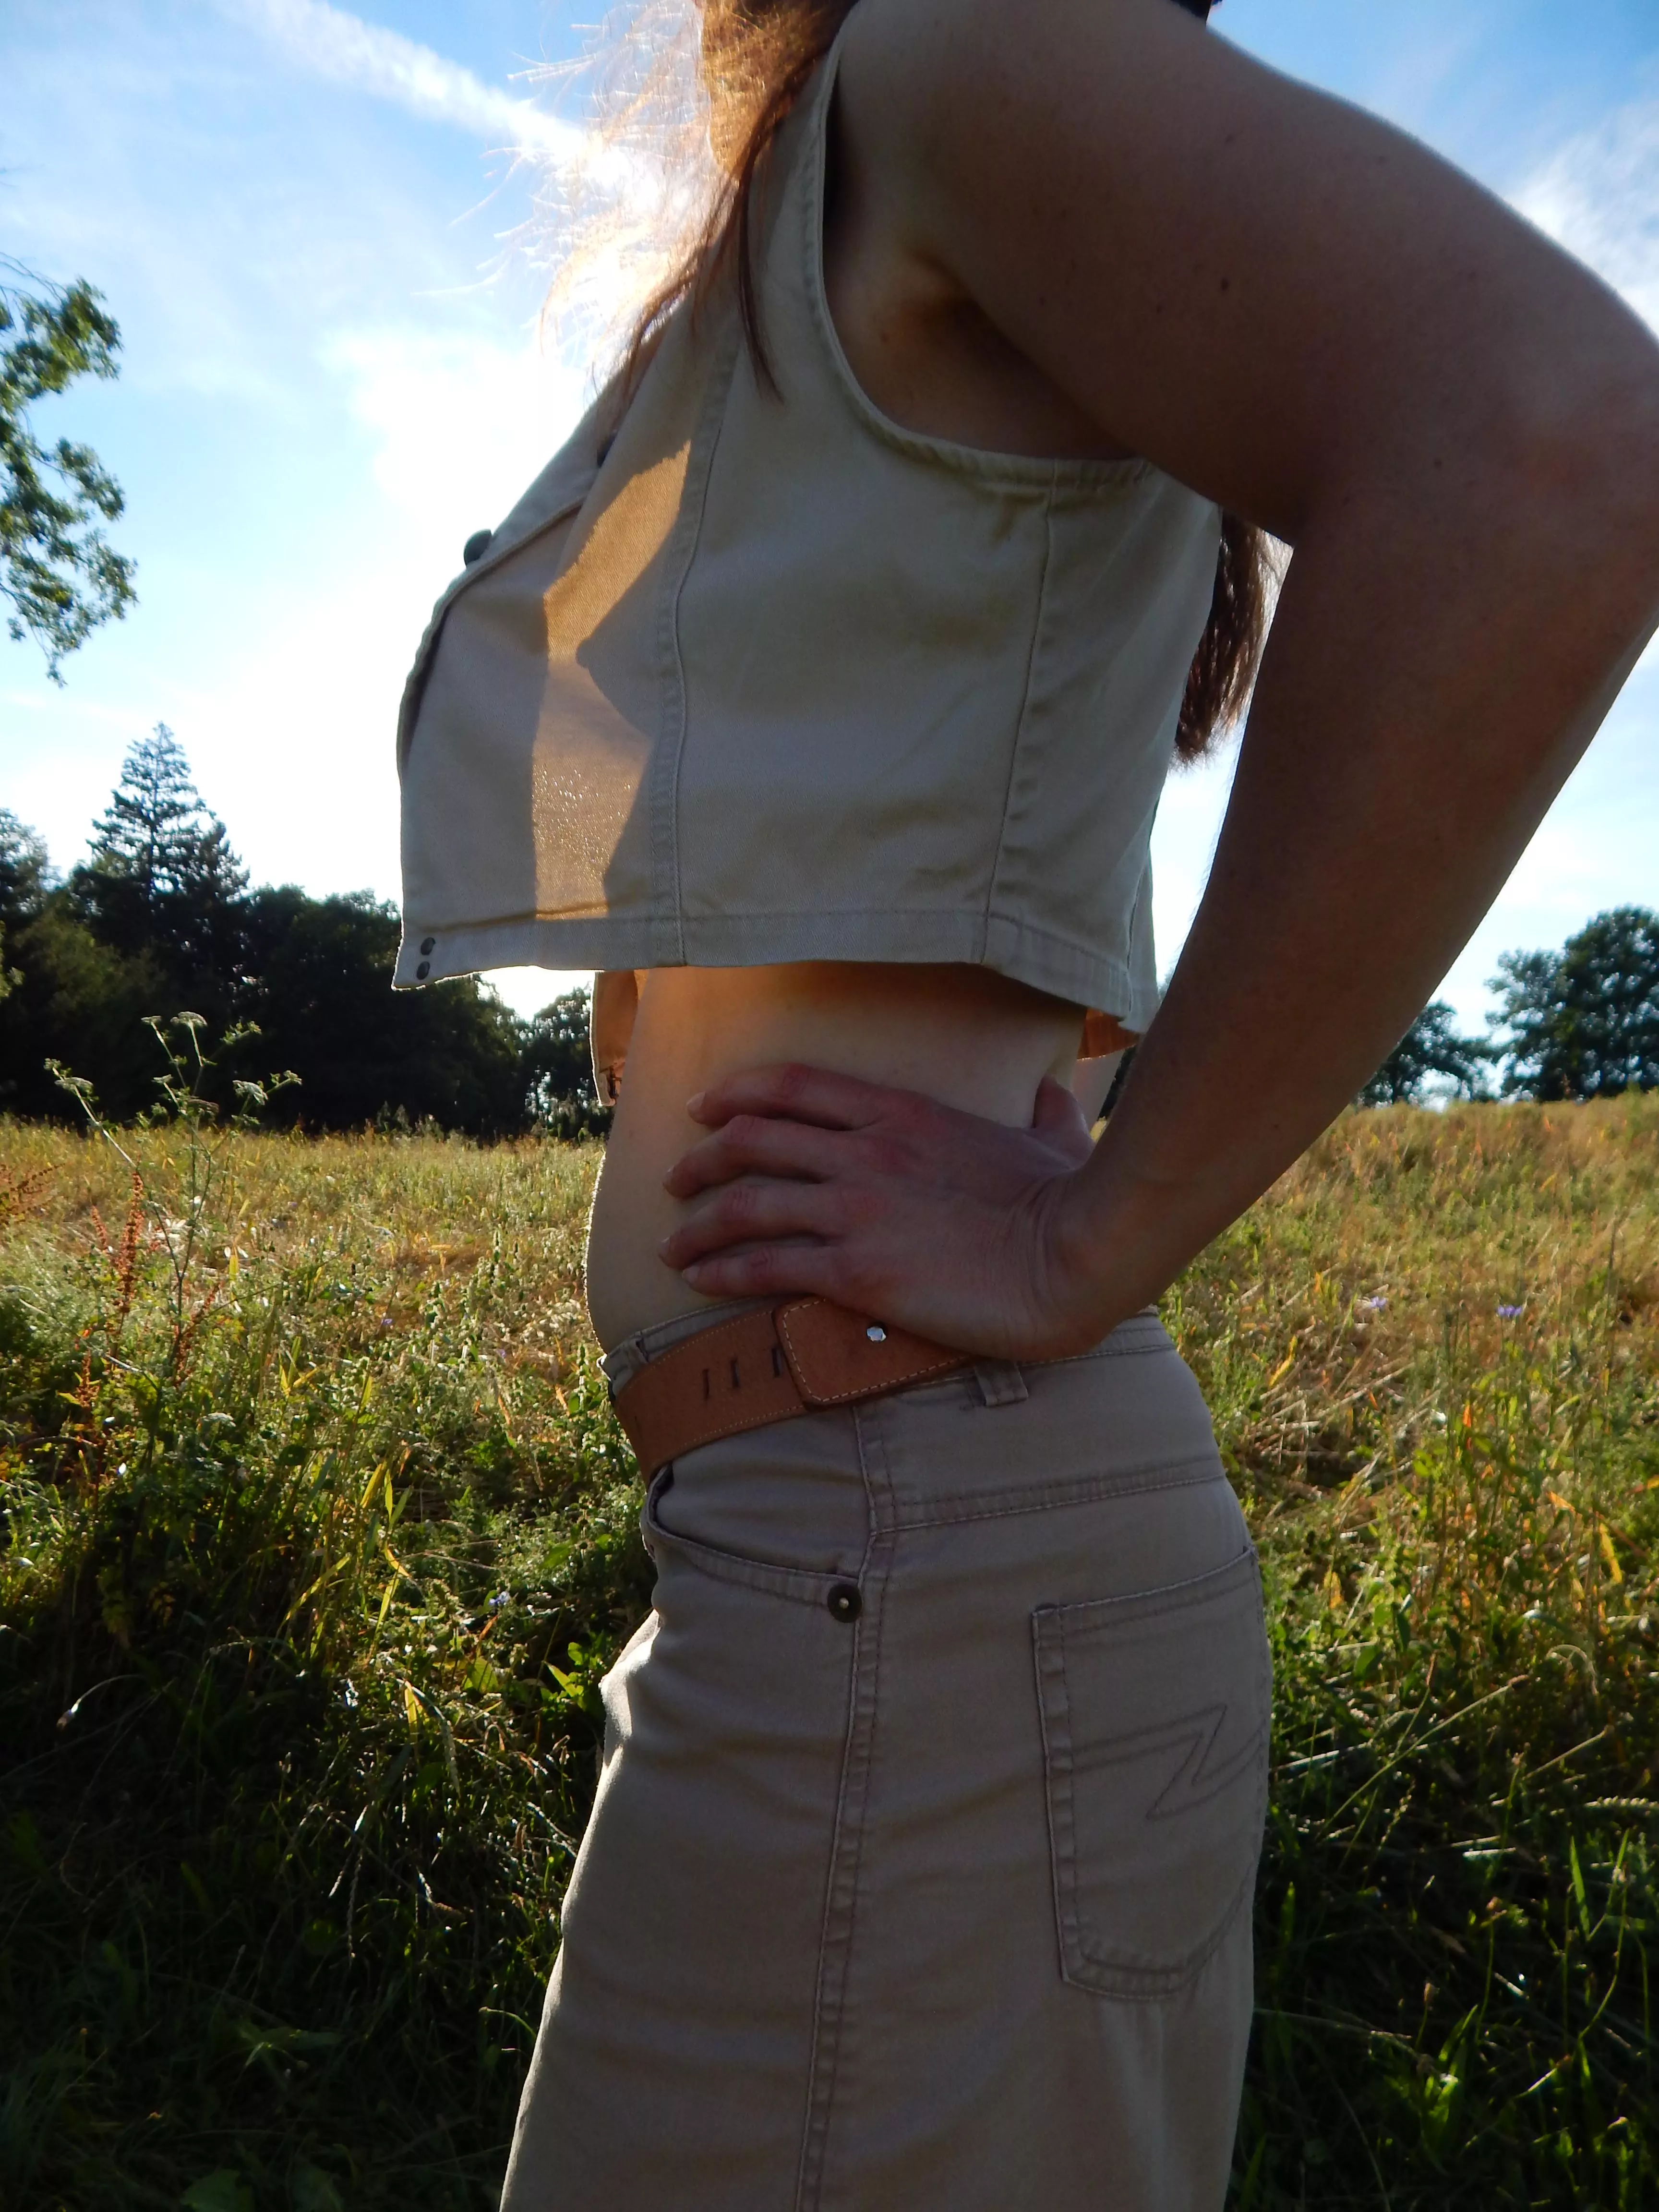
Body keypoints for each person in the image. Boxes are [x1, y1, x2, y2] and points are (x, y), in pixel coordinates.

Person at [394, 0, 1659, 2203]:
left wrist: (1097, 1227)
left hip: (915, 1532)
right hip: (857, 1542)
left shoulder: (966, 44)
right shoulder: (880, 163)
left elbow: (1560, 442)